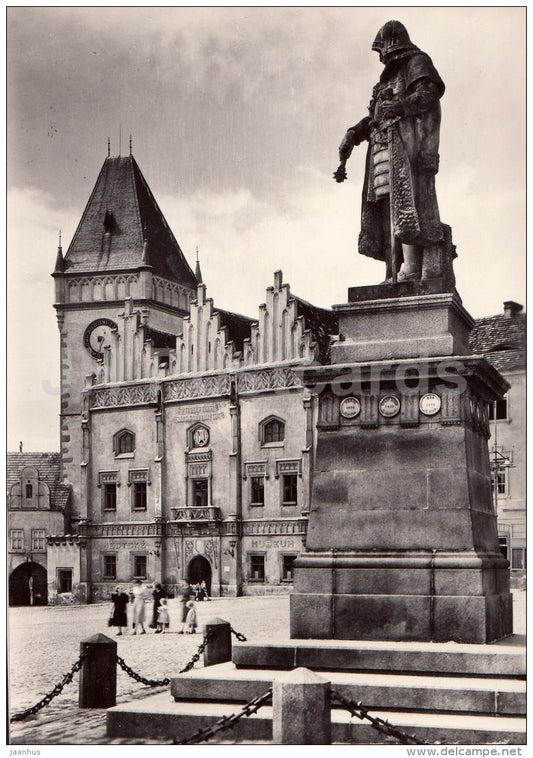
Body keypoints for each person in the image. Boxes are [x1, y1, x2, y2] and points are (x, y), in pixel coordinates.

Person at [334, 20, 445, 283]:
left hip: (406, 147)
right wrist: (353, 134)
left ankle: (413, 268)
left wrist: (399, 106)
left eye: (382, 49)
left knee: (406, 205)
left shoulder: (417, 62)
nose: (381, 57)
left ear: (391, 44)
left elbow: (428, 95)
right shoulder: (386, 79)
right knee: (386, 207)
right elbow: (373, 117)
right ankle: (395, 270)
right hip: (381, 150)